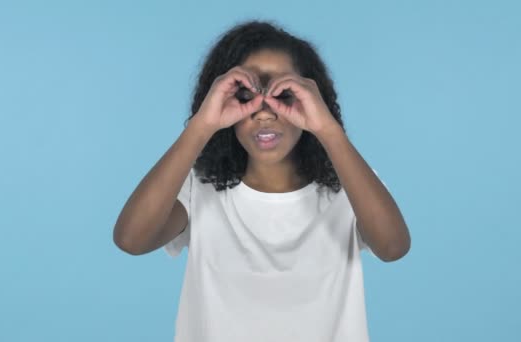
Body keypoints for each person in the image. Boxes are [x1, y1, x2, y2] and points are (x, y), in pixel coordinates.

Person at [113, 19, 411, 342]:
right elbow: (131, 239)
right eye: (245, 95)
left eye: (284, 94)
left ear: (312, 98)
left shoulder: (350, 186)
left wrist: (328, 130)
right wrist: (202, 125)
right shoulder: (198, 187)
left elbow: (393, 246)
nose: (265, 113)